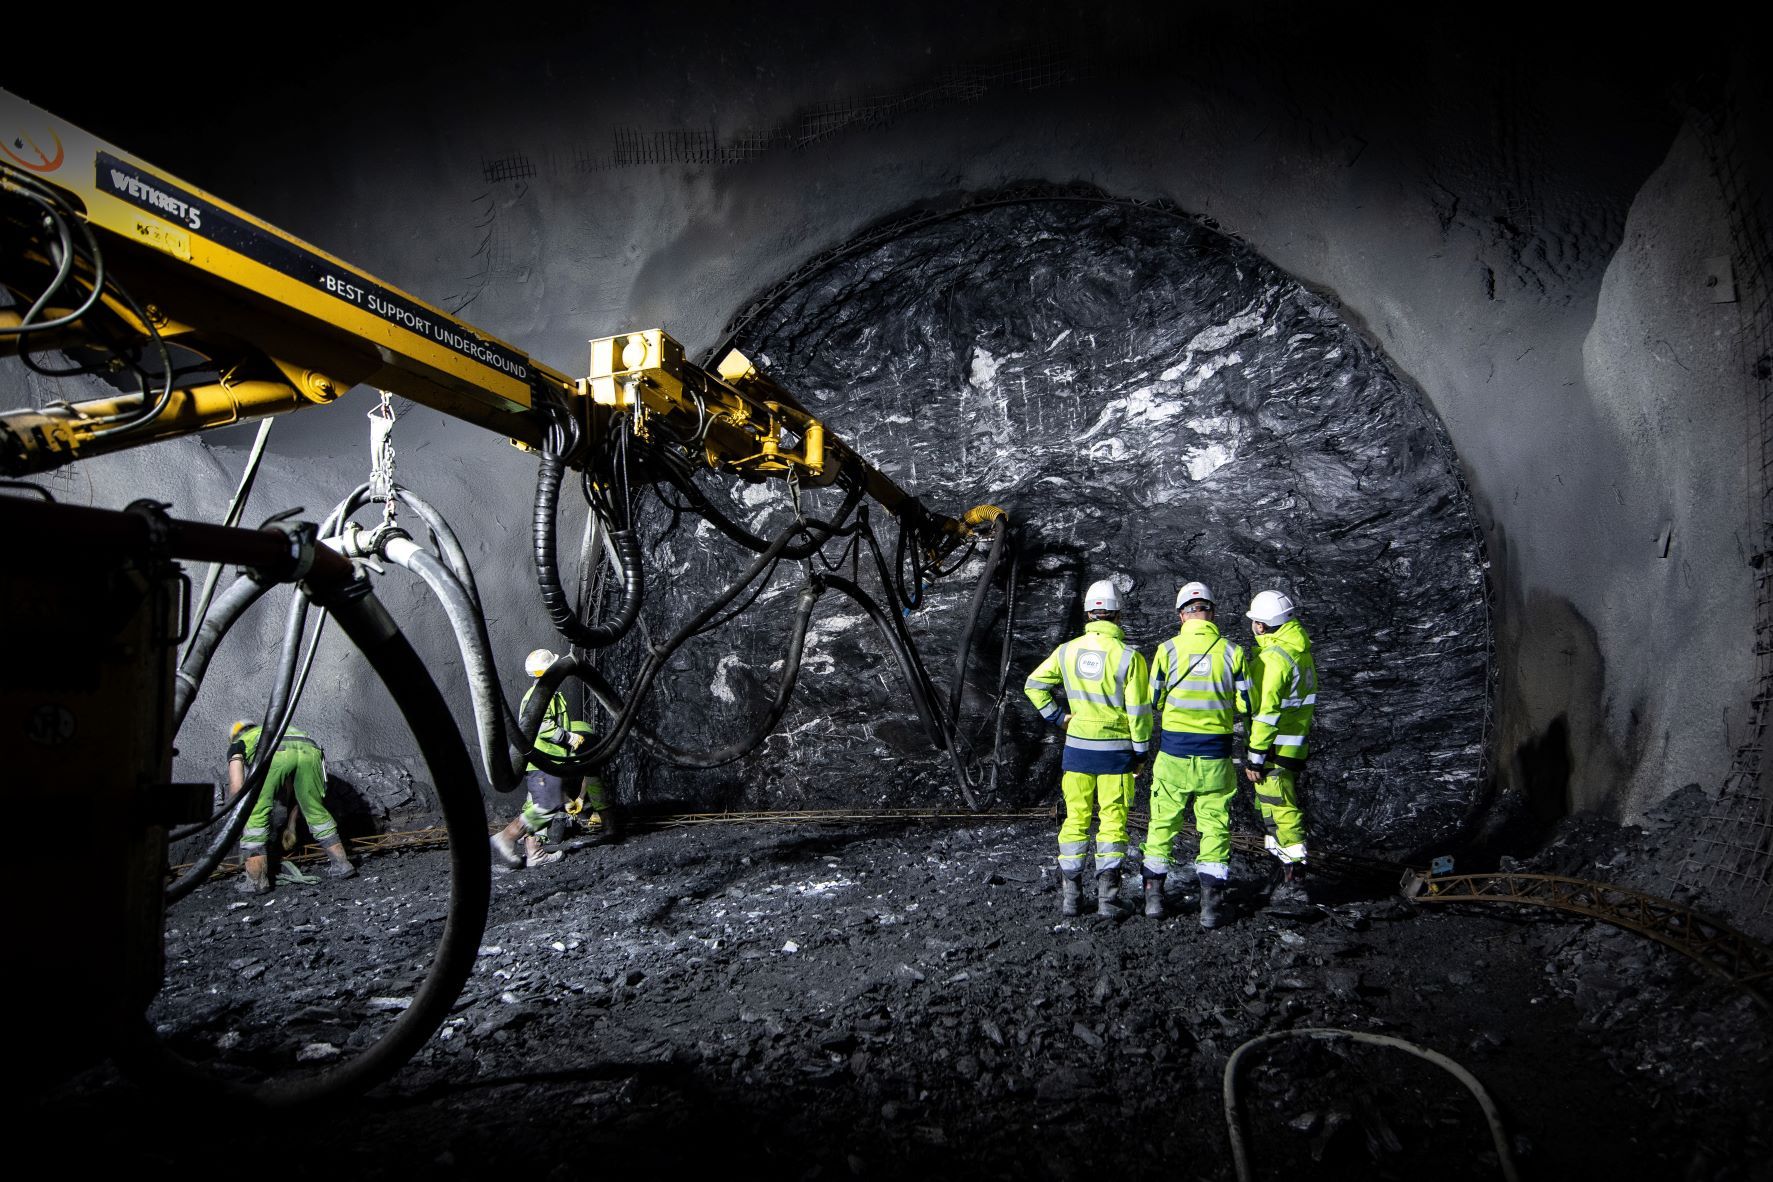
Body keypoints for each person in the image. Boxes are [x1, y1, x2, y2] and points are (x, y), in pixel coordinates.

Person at [1024, 579, 1153, 917]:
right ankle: (1108, 900)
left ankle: (1071, 898)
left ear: (1088, 614)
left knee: (1076, 820)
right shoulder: (1130, 658)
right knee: (1112, 822)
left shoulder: (1067, 651)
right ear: (1118, 616)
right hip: (1116, 754)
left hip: (1077, 750)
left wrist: (1060, 718)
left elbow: (1034, 685)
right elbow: (1139, 712)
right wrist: (1140, 752)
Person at [1141, 581, 1248, 928]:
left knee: (1162, 823)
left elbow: (1153, 699)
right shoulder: (1233, 652)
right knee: (1215, 826)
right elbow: (1247, 704)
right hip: (1216, 757)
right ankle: (1210, 909)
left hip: (1174, 753)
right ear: (1211, 612)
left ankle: (1154, 901)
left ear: (1180, 614)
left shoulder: (1167, 650)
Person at [490, 647, 613, 870]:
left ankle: (534, 853)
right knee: (545, 806)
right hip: (543, 760)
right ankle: (507, 836)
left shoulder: (547, 694)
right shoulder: (539, 697)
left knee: (543, 805)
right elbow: (543, 727)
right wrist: (568, 737)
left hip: (548, 760)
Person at [1242, 590, 1318, 904]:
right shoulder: (1299, 650)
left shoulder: (1272, 659)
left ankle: (1295, 884)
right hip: (1293, 746)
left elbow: (1266, 712)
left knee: (1282, 812)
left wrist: (1255, 757)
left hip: (1273, 750)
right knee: (1273, 810)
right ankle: (1283, 873)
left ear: (1261, 625)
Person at [227, 720, 355, 893]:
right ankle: (342, 864)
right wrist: (291, 827)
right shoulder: (281, 728)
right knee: (315, 809)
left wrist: (240, 815)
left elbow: (236, 789)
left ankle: (256, 882)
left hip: (274, 753)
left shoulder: (239, 743)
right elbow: (295, 793)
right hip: (310, 750)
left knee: (255, 815)